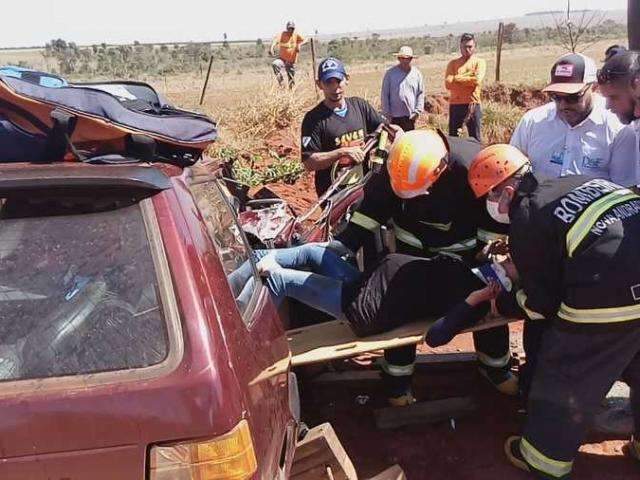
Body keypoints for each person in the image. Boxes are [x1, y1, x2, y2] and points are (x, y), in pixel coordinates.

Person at [467, 143, 640, 479]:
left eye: (490, 196)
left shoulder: (527, 215)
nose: (491, 206)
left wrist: (501, 302)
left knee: (565, 371)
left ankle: (543, 459)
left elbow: (542, 304)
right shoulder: (572, 183)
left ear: (508, 191)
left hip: (607, 297)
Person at [337, 129, 515, 405]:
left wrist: (488, 254)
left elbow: (494, 215)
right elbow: (371, 210)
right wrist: (345, 244)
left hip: (466, 254)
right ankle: (398, 380)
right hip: (411, 251)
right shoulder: (398, 167)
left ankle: (496, 367)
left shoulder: (473, 165)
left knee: (484, 306)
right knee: (401, 307)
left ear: (442, 167)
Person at [510, 53, 626, 183]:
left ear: (593, 87)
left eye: (572, 97)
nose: (563, 105)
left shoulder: (617, 127)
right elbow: (510, 172)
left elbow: (625, 187)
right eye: (556, 97)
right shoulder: (532, 122)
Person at [301, 57, 390, 197]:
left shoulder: (360, 106)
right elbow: (309, 162)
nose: (335, 88)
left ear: (347, 79)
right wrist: (341, 152)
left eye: (338, 81)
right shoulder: (313, 119)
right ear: (319, 84)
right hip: (334, 194)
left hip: (363, 187)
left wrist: (389, 141)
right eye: (328, 82)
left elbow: (383, 128)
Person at [445, 33, 486, 141]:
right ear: (460, 47)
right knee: (453, 138)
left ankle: (477, 158)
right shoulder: (453, 64)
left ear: (474, 47)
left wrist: (456, 78)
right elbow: (448, 84)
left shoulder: (479, 62)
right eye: (464, 47)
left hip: (472, 104)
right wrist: (468, 76)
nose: (467, 49)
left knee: (475, 138)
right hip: (456, 105)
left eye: (470, 47)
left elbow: (476, 80)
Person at [381, 46, 425, 131]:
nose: (405, 61)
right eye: (403, 58)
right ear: (399, 58)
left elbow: (421, 93)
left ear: (411, 59)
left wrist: (417, 111)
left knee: (409, 141)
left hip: (410, 116)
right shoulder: (390, 74)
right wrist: (387, 114)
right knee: (397, 142)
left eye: (408, 58)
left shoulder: (417, 74)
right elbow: (385, 94)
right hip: (394, 117)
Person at [270, 21, 307, 88]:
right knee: (275, 64)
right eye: (289, 28)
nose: (291, 30)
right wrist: (272, 48)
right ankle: (281, 84)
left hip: (291, 61)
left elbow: (305, 40)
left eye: (292, 28)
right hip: (282, 59)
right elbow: (275, 40)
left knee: (291, 80)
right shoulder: (282, 34)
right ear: (287, 28)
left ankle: (291, 93)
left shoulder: (296, 35)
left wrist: (299, 44)